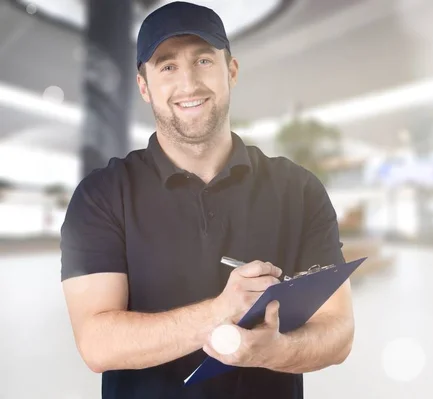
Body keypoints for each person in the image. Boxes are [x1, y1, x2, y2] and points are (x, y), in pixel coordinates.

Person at [60, 2, 354, 398]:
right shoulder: (102, 196)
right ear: (144, 86)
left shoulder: (298, 189)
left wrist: (276, 351)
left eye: (203, 60)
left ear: (231, 71)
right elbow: (96, 343)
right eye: (167, 66)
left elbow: (338, 332)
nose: (188, 84)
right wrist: (221, 312)